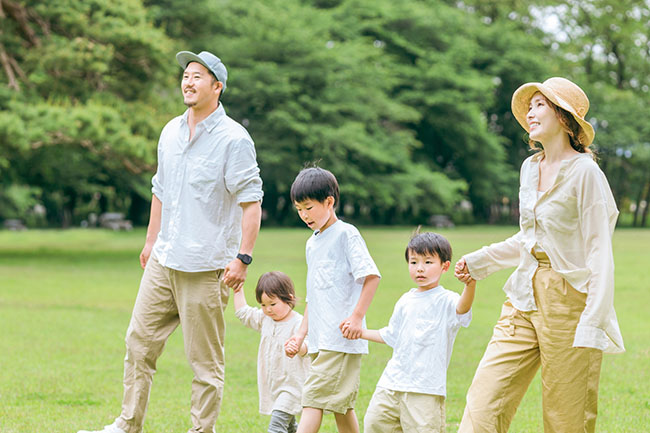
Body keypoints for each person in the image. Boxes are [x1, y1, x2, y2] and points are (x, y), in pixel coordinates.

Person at [78, 50, 264, 433]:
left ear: (218, 87)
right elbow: (160, 191)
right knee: (138, 345)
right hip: (164, 261)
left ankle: (202, 430)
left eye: (198, 76)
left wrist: (243, 258)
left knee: (204, 363)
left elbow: (251, 202)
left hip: (206, 266)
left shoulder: (234, 140)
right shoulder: (170, 131)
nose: (188, 81)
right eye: (186, 75)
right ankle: (128, 424)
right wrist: (150, 241)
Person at [455, 77, 624, 433]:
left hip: (570, 303)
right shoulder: (529, 168)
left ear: (564, 118)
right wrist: (481, 261)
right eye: (529, 106)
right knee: (484, 402)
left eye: (539, 105)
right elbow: (530, 238)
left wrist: (592, 323)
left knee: (566, 418)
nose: (530, 113)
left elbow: (599, 252)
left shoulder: (586, 173)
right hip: (522, 296)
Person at [284, 166, 381, 433]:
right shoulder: (312, 243)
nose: (303, 215)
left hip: (341, 340)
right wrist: (301, 335)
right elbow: (314, 297)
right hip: (320, 340)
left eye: (308, 207)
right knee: (341, 407)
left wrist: (357, 318)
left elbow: (371, 277)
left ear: (329, 202)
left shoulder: (346, 234)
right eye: (298, 209)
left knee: (312, 399)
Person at [354, 231, 475, 433]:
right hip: (392, 383)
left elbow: (462, 309)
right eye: (414, 262)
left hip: (425, 389)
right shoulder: (405, 300)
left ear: (444, 266)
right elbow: (391, 335)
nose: (420, 268)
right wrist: (360, 332)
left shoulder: (447, 300)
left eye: (428, 262)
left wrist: (470, 286)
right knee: (374, 423)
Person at [233, 271, 310, 433]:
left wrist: (298, 347)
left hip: (293, 386)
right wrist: (237, 289)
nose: (268, 309)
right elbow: (243, 313)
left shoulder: (298, 323)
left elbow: (308, 349)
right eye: (263, 305)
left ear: (288, 298)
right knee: (289, 427)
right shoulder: (265, 319)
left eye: (273, 304)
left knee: (276, 427)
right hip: (274, 384)